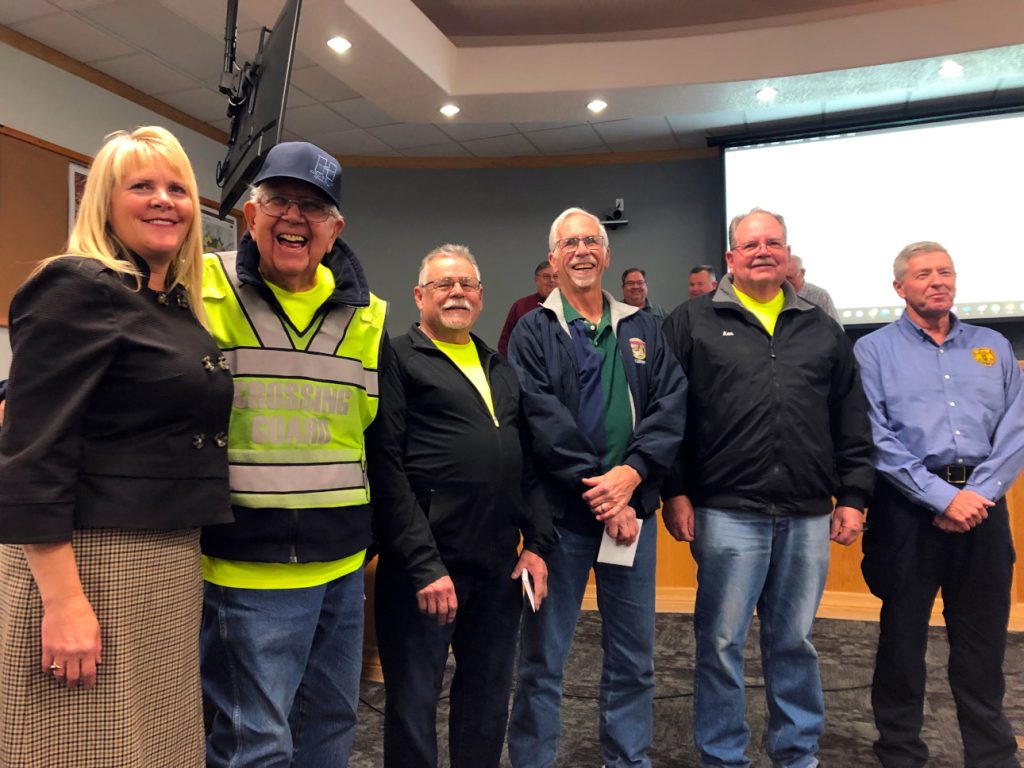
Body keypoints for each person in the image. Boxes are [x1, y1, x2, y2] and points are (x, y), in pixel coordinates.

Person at [0, 126, 233, 767]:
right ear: (103, 201)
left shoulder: (170, 303)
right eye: (142, 186)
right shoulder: (75, 287)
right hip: (92, 561)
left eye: (178, 188)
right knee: (86, 748)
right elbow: (32, 453)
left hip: (166, 558)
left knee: (154, 746)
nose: (165, 200)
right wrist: (64, 601)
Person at [661, 207, 874, 768]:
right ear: (730, 257)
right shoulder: (691, 321)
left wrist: (852, 496)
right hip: (726, 512)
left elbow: (849, 417)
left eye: (773, 243)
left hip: (807, 512)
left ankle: (797, 753)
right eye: (750, 244)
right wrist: (674, 491)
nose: (762, 251)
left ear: (787, 255)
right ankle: (723, 755)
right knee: (722, 643)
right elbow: (667, 415)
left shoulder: (821, 326)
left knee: (795, 642)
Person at [199, 141, 387, 767]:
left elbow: (374, 435)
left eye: (313, 206)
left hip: (341, 564)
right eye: (278, 199)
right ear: (249, 215)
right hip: (248, 568)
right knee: (258, 742)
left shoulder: (369, 316)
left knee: (331, 726)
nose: (294, 217)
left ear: (335, 229)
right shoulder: (202, 286)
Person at [506, 207, 687, 768]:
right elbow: (543, 422)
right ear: (553, 258)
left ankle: (627, 759)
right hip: (560, 523)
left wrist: (630, 479)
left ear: (606, 255)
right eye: (569, 243)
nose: (581, 251)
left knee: (634, 657)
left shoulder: (644, 327)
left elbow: (671, 404)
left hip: (632, 517)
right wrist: (605, 498)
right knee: (542, 660)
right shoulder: (533, 331)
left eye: (591, 241)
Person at [368, 244, 554, 768]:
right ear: (419, 296)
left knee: (488, 701)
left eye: (467, 284)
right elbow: (387, 469)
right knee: (413, 704)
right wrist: (424, 565)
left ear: (480, 296)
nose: (457, 292)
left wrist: (538, 545)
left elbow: (529, 466)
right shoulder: (398, 358)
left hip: (497, 567)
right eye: (444, 284)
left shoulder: (500, 366)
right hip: (423, 570)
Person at [854, 242, 1024, 768]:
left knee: (983, 643)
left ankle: (992, 755)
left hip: (984, 508)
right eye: (923, 274)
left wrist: (978, 496)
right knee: (902, 642)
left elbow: (1016, 428)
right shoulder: (873, 351)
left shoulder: (992, 346)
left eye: (945, 272)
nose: (937, 281)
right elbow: (875, 436)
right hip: (907, 510)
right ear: (899, 287)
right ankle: (901, 752)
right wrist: (941, 497)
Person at [497, 260, 557, 356]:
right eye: (546, 277)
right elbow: (505, 344)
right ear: (536, 280)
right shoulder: (521, 306)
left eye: (556, 276)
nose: (552, 281)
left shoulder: (571, 306)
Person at [785, 254, 841, 323]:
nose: (785, 282)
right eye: (781, 278)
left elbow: (835, 330)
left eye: (789, 278)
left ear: (802, 272)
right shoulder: (775, 294)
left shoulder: (820, 296)